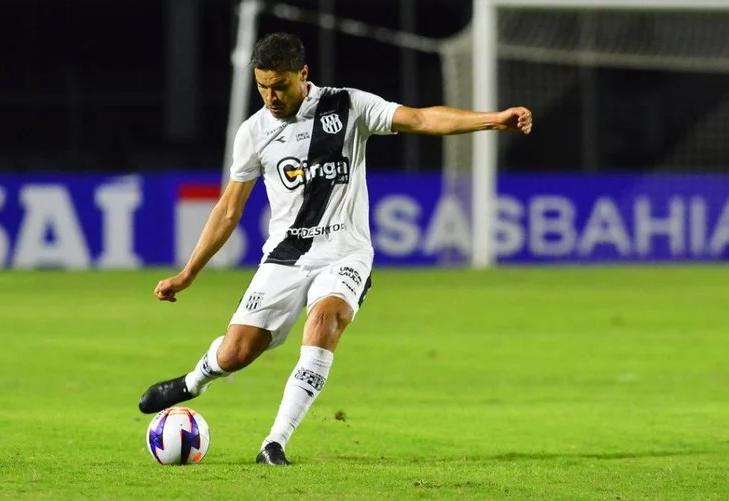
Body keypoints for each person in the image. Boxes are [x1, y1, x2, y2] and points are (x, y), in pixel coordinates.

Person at [137, 32, 533, 466]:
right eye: (262, 86)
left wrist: (493, 120)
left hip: (345, 253)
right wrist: (188, 273)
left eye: (280, 86)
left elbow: (420, 119)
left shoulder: (349, 106)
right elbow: (229, 210)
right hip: (286, 256)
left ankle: (274, 443)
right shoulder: (253, 132)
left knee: (324, 321)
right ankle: (193, 383)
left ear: (303, 75)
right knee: (236, 353)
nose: (271, 97)